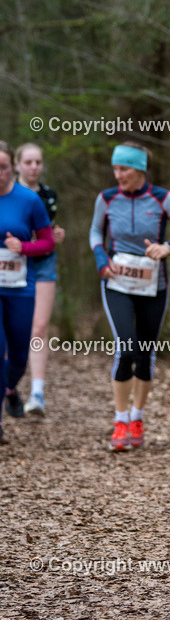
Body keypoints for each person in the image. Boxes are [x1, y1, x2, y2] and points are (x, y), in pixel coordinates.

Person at [89, 143, 170, 452]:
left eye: (124, 169)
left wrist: (169, 247)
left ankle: (137, 418)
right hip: (117, 282)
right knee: (127, 347)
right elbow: (95, 233)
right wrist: (101, 260)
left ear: (140, 169)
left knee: (145, 351)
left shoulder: (162, 199)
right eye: (115, 168)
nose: (117, 175)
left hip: (153, 285)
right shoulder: (106, 199)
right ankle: (120, 421)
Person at [0, 141, 55, 441]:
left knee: (20, 352)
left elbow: (47, 242)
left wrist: (24, 247)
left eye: (4, 167)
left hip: (20, 286)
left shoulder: (29, 200)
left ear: (12, 168)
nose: (0, 173)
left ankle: (11, 388)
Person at [15, 143, 66, 416]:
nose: (34, 167)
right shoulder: (8, 192)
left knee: (40, 327)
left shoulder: (49, 196)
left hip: (44, 263)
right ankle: (9, 387)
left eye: (38, 162)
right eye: (28, 162)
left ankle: (37, 393)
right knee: (13, 327)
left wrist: (56, 235)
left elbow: (49, 229)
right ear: (17, 165)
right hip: (13, 265)